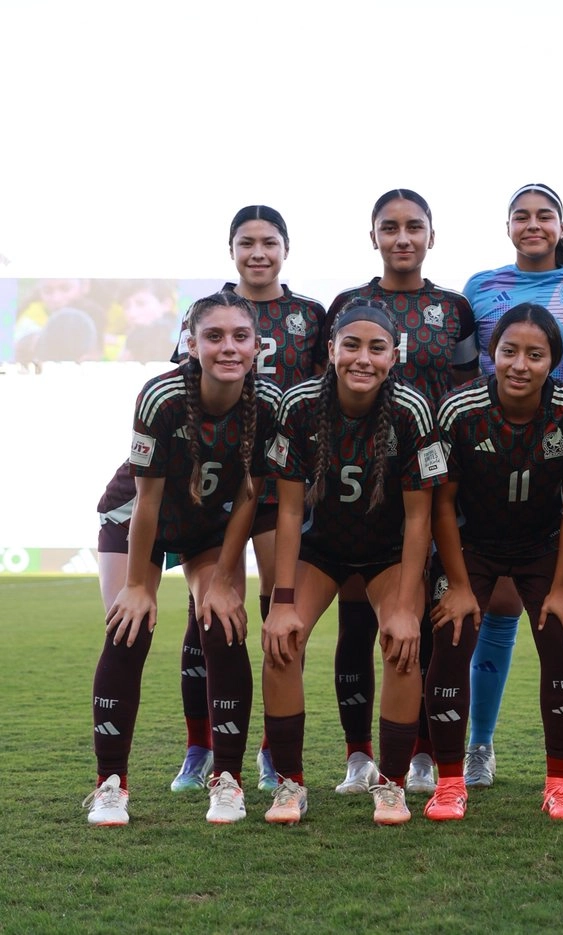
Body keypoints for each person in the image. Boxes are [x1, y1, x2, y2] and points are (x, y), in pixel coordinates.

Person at [84, 291, 279, 826]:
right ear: (190, 345)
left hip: (209, 523)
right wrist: (141, 586)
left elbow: (247, 497)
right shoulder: (162, 397)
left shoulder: (267, 404)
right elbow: (147, 501)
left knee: (223, 621)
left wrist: (219, 578)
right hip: (137, 519)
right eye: (213, 337)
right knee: (130, 627)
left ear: (257, 345)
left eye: (240, 336)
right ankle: (110, 786)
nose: (228, 347)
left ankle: (229, 781)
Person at [154, 206, 327, 795]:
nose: (259, 252)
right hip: (215, 485)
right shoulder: (207, 312)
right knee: (206, 607)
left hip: (283, 482)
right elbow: (183, 392)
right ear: (232, 250)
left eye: (270, 242)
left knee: (281, 611)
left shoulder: (309, 316)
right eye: (247, 243)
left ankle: (271, 751)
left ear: (286, 248)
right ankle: (199, 746)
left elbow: (323, 397)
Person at [260, 299, 445, 826]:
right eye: (352, 345)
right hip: (323, 548)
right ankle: (289, 785)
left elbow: (418, 521)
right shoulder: (299, 406)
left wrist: (407, 607)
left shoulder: (411, 410)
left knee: (401, 645)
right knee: (282, 641)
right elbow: (290, 510)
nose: (362, 359)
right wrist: (282, 600)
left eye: (376, 348)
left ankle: (391, 784)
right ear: (331, 350)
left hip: (389, 552)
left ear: (393, 357)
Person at [461, 183, 563, 789]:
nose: (533, 224)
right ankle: (479, 745)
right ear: (507, 227)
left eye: (544, 215)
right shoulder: (481, 287)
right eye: (522, 216)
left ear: (560, 225)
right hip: (497, 460)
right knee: (497, 609)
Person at [323, 188, 479, 797]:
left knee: (426, 618)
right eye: (390, 227)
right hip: (363, 487)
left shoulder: (454, 309)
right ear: (374, 238)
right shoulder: (349, 306)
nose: (403, 237)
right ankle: (359, 754)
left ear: (431, 236)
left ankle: (417, 753)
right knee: (358, 619)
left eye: (415, 226)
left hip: (437, 481)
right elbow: (327, 391)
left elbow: (467, 392)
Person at [425, 304, 563, 821]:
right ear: (492, 355)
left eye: (535, 354)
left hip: (540, 547)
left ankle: (559, 784)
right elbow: (443, 503)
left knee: (562, 638)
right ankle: (450, 783)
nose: (520, 364)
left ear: (553, 361)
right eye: (509, 351)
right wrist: (456, 583)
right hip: (472, 545)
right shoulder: (460, 410)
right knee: (452, 640)